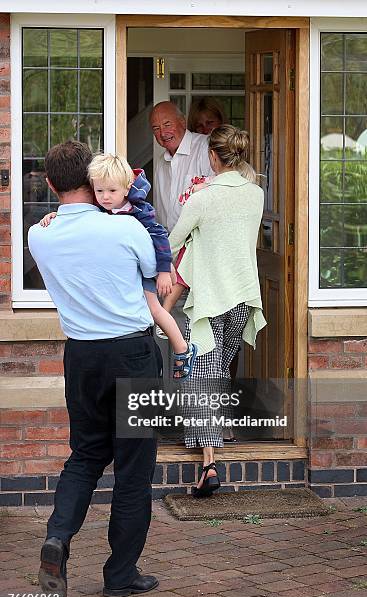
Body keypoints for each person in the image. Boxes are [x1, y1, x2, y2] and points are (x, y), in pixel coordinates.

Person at [28, 141, 163, 597]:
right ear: (91, 181)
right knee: (133, 469)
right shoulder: (125, 230)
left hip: (81, 356)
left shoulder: (38, 235)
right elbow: (153, 270)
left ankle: (58, 538)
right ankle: (121, 575)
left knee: (85, 456)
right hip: (133, 355)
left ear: (49, 185)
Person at [169, 125, 267, 497]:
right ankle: (215, 431)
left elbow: (172, 240)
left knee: (198, 376)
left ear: (212, 156)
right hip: (243, 296)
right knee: (218, 369)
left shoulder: (203, 198)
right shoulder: (256, 194)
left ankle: (209, 463)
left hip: (210, 299)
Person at [40, 153, 197, 380]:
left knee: (155, 310)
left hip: (148, 268)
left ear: (126, 188)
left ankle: (182, 349)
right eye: (99, 191)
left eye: (111, 191)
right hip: (132, 274)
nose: (104, 197)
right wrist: (57, 214)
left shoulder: (138, 210)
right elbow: (74, 212)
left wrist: (164, 269)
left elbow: (160, 236)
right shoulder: (104, 207)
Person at [149, 101, 214, 232]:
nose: (162, 133)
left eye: (167, 125)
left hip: (198, 243)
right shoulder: (161, 162)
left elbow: (218, 199)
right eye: (156, 128)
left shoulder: (205, 147)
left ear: (183, 122)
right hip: (170, 245)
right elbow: (161, 213)